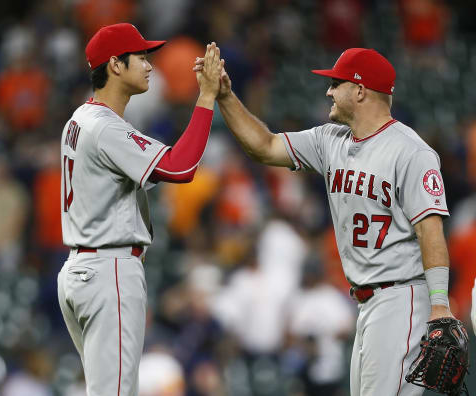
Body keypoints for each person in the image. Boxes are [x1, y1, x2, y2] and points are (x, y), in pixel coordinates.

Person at [195, 47, 457, 395]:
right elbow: (264, 145)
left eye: (337, 83)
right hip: (366, 304)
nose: (328, 91)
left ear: (360, 91)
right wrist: (226, 96)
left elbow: (431, 231)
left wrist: (440, 305)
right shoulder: (329, 140)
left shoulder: (412, 152)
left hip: (402, 296)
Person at [58, 23, 222, 396]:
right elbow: (180, 168)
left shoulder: (79, 120)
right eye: (142, 58)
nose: (150, 66)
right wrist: (207, 97)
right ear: (115, 65)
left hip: (80, 269)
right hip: (108, 269)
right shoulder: (104, 127)